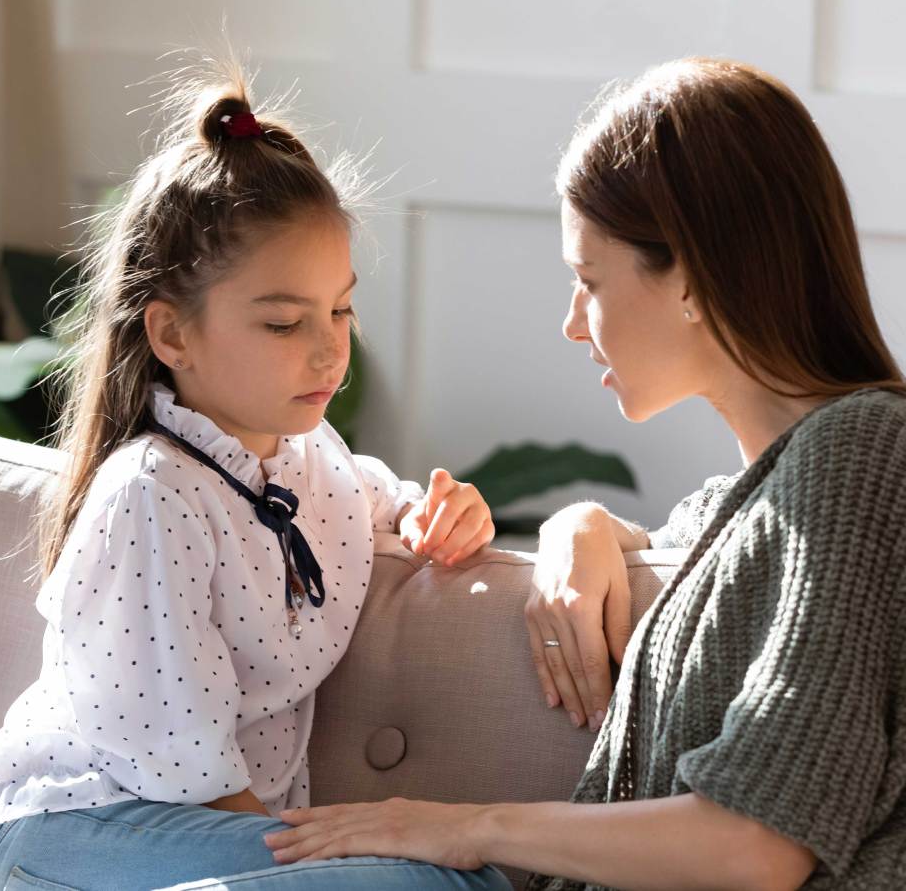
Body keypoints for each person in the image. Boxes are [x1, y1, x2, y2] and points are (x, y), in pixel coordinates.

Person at [265, 57, 906, 890]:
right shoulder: (762, 496)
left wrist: (458, 829)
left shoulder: (864, 451)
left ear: (691, 278)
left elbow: (759, 846)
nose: (573, 324)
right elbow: (704, 551)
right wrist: (583, 525)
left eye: (588, 279)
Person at [0, 58, 510, 891]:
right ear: (171, 336)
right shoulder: (150, 494)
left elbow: (390, 506)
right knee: (435, 885)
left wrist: (445, 515)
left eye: (341, 309)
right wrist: (305, 867)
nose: (328, 348)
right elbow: (183, 764)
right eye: (284, 322)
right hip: (70, 839)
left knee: (459, 880)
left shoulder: (316, 466)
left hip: (208, 843)